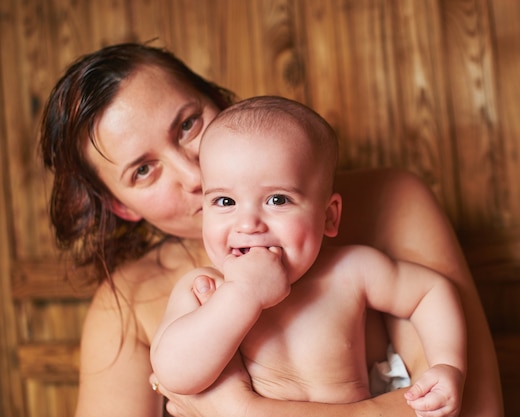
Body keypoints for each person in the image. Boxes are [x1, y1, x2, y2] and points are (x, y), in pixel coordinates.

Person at [39, 42, 504, 417]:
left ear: (220, 103)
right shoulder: (169, 295)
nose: (193, 174)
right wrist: (242, 295)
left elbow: (469, 406)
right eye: (144, 170)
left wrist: (240, 410)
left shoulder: (376, 227)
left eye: (188, 124)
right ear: (121, 206)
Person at [150, 96, 466, 416]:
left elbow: (430, 291)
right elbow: (174, 374)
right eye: (225, 202)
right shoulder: (205, 290)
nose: (248, 223)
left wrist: (447, 364)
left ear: (329, 216)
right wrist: (242, 294)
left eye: (277, 199)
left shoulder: (352, 271)